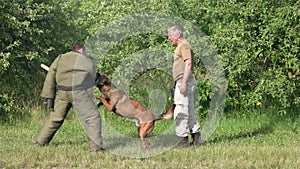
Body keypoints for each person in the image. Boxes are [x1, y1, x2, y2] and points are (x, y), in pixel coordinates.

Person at [35, 42, 105, 151]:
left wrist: (49, 97)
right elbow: (94, 77)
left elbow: (50, 77)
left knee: (55, 119)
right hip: (78, 93)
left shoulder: (60, 58)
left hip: (62, 93)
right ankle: (96, 148)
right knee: (92, 118)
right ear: (81, 50)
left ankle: (40, 142)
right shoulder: (85, 60)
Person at [167, 25, 203, 147]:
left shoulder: (184, 45)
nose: (168, 38)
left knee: (181, 111)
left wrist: (183, 83)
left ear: (177, 35)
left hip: (184, 81)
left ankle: (182, 140)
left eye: (170, 35)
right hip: (185, 81)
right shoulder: (182, 45)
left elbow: (188, 63)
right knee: (189, 110)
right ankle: (196, 137)